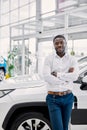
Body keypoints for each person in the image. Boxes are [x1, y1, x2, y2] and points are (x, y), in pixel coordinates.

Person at [43, 35, 79, 130]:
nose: (59, 45)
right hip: (53, 98)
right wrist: (66, 78)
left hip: (68, 98)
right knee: (58, 128)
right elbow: (47, 76)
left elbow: (75, 76)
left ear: (66, 44)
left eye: (61, 42)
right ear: (53, 45)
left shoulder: (72, 59)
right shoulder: (49, 59)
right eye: (56, 43)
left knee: (65, 128)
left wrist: (58, 75)